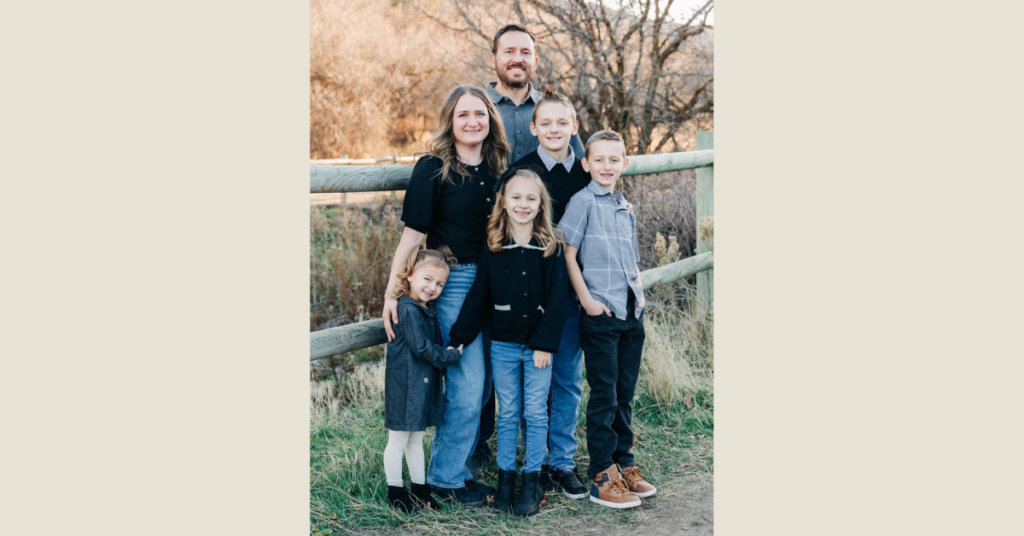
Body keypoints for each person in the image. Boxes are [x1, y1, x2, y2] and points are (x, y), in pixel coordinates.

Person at [381, 84, 509, 508]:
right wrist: (392, 291)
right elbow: (413, 236)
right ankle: (444, 479)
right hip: (453, 283)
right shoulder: (433, 168)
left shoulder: (498, 168)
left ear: (491, 119)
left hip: (495, 281)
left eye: (480, 113)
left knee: (486, 383)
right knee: (468, 383)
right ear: (450, 122)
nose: (473, 121)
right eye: (463, 115)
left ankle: (453, 469)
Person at [469, 21, 586, 480]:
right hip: (504, 260)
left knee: (561, 375)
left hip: (560, 273)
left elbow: (587, 175)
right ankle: (492, 454)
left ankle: (557, 460)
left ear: (535, 60)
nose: (518, 58)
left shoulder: (553, 113)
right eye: (509, 51)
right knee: (495, 373)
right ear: (495, 57)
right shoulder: (480, 106)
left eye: (526, 51)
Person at [449, 168, 567, 516]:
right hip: (501, 347)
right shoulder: (493, 246)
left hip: (538, 350)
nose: (523, 204)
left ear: (540, 203)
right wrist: (459, 339)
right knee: (508, 412)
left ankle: (532, 481)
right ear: (503, 202)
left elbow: (559, 300)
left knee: (534, 412)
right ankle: (506, 481)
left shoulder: (551, 246)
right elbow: (478, 296)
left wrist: (545, 344)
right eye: (516, 197)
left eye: (531, 198)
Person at [558, 130, 657, 509]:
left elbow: (629, 258)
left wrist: (640, 293)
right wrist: (588, 302)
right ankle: (602, 474)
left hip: (631, 311)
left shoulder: (623, 204)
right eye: (598, 159)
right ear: (586, 163)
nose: (606, 166)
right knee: (605, 393)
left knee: (625, 393)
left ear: (624, 164)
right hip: (601, 313)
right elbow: (568, 254)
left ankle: (624, 464)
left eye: (614, 159)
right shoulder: (582, 202)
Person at [509, 92, 591, 499]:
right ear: (533, 128)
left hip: (574, 292)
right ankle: (535, 462)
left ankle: (562, 461)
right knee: (533, 383)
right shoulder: (521, 172)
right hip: (532, 295)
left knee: (567, 379)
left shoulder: (587, 173)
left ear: (574, 127)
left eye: (563, 123)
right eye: (547, 123)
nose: (555, 130)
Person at [382, 247, 463, 513]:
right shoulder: (407, 309)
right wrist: (450, 355)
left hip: (421, 385)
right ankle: (395, 490)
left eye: (440, 283)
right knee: (398, 440)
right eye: (427, 279)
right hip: (404, 385)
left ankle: (420, 489)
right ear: (409, 276)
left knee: (415, 440)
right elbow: (421, 348)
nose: (433, 287)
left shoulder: (426, 308)